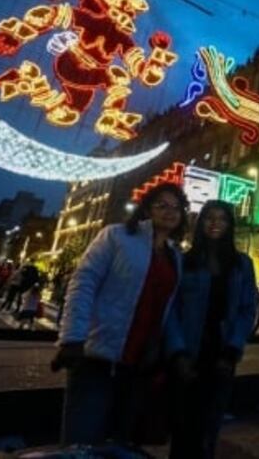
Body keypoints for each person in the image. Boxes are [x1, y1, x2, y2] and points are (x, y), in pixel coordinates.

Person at [52, 183, 187, 445]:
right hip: (99, 355)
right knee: (81, 441)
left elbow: (168, 309)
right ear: (147, 209)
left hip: (140, 363)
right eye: (162, 205)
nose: (170, 212)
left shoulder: (175, 257)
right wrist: (72, 337)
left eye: (176, 207)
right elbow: (83, 283)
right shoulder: (116, 236)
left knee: (120, 441)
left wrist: (174, 352)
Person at [164, 200, 257, 459]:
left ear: (230, 225)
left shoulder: (242, 264)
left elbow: (247, 309)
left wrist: (233, 348)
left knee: (210, 426)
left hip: (221, 355)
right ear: (199, 222)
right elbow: (171, 308)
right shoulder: (183, 261)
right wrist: (177, 351)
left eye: (222, 219)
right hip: (187, 354)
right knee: (182, 428)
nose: (215, 223)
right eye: (209, 218)